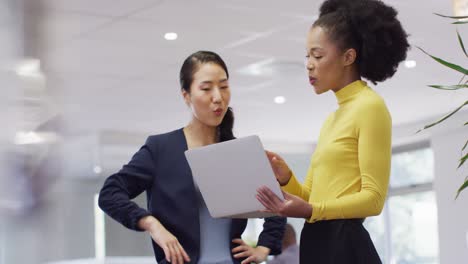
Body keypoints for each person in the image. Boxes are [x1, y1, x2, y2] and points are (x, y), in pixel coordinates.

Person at [256, 0, 409, 263]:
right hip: (318, 241)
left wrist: (314, 209)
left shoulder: (370, 106)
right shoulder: (332, 119)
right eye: (307, 56)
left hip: (345, 244)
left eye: (317, 55)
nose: (309, 64)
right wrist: (286, 177)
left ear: (348, 57)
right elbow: (311, 199)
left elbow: (373, 199)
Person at [98, 50, 286, 264]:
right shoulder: (161, 149)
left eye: (224, 87)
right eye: (206, 89)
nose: (218, 97)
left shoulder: (239, 151)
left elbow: (277, 206)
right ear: (186, 95)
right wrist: (152, 224)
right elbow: (110, 193)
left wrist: (263, 248)